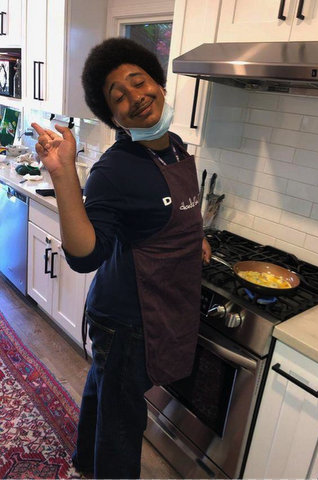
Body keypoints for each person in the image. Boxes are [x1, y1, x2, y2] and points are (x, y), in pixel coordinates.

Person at [32, 37, 211, 479]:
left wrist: (196, 238)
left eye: (140, 82)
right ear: (113, 116)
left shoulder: (178, 149)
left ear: (160, 85)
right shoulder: (115, 169)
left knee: (103, 392)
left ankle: (83, 464)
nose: (136, 97)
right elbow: (85, 254)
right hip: (129, 319)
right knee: (123, 421)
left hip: (159, 305)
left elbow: (172, 211)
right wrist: (62, 172)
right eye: (119, 96)